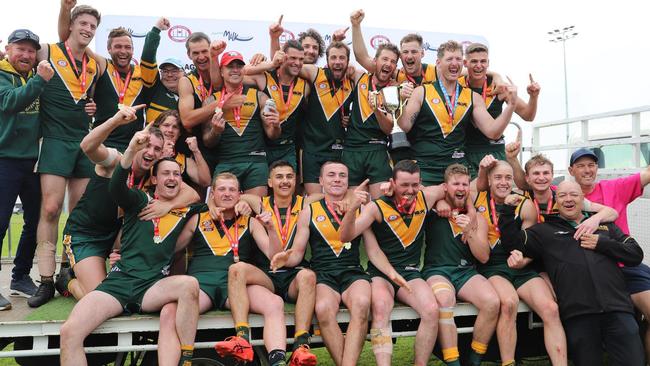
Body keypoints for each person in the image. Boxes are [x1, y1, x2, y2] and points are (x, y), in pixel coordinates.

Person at [59, 129, 201, 366]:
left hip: (152, 286)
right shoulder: (140, 199)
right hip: (120, 283)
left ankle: (186, 358)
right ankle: (70, 283)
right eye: (165, 173)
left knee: (189, 285)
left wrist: (169, 206)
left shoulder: (187, 209)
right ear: (154, 179)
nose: (172, 178)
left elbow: (199, 196)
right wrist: (131, 152)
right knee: (69, 332)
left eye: (177, 174)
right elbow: (116, 187)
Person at [56, 107, 199, 301]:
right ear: (137, 143)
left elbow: (191, 194)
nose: (151, 152)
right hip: (86, 235)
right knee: (98, 296)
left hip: (119, 236)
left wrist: (168, 206)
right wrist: (115, 120)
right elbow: (87, 146)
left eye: (157, 149)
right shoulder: (117, 161)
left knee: (119, 294)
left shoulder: (153, 175)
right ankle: (68, 282)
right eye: (146, 145)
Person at [498, 180, 646, 366]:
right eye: (562, 195)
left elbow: (635, 254)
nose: (568, 199)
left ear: (583, 198)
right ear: (556, 200)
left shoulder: (606, 227)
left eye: (574, 195)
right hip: (579, 316)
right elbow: (512, 243)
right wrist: (506, 210)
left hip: (619, 310)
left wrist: (601, 243)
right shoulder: (544, 231)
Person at [158, 172, 285, 365]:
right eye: (222, 189)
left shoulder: (249, 221)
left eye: (232, 189)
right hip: (201, 286)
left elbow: (274, 256)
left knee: (274, 303)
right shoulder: (198, 218)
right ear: (213, 194)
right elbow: (171, 250)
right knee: (169, 312)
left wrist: (271, 228)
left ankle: (278, 360)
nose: (227, 194)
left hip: (237, 285)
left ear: (240, 194)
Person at [338, 160, 445, 366]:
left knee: (431, 309)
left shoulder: (426, 197)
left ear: (420, 183)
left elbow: (448, 188)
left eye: (415, 184)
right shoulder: (376, 207)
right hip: (381, 274)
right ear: (392, 183)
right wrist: (352, 208)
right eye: (404, 185)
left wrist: (446, 202)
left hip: (411, 273)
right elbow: (345, 236)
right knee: (380, 306)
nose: (410, 190)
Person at [30, 2, 101, 307]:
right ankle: (45, 280)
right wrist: (65, 7)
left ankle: (65, 272)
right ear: (71, 25)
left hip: (84, 142)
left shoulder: (95, 65)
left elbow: (90, 100)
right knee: (50, 208)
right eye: (82, 23)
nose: (87, 29)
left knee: (79, 212)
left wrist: (93, 108)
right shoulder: (47, 50)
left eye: (92, 27)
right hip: (56, 140)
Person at [271, 161, 372, 366]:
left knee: (361, 304)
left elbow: (372, 248)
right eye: (331, 175)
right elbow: (298, 253)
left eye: (342, 175)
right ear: (321, 181)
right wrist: (285, 258)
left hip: (353, 272)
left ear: (348, 181)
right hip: (323, 274)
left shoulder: (361, 207)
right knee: (324, 307)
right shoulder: (309, 210)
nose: (337, 179)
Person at [474, 158, 569, 365]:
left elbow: (530, 245)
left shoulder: (525, 205)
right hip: (492, 267)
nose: (503, 182)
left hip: (521, 266)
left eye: (508, 178)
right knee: (508, 303)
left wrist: (524, 260)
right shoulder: (477, 198)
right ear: (489, 180)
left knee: (551, 309)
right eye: (498, 177)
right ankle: (508, 362)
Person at [226, 160, 319, 365]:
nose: (284, 181)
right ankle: (242, 338)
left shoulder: (307, 203)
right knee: (237, 269)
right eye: (279, 177)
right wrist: (239, 202)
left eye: (289, 176)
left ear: (296, 180)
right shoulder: (258, 202)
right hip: (266, 274)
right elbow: (228, 196)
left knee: (309, 276)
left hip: (294, 273)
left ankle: (301, 346)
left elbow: (336, 194)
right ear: (269, 181)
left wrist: (348, 199)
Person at [397, 40, 517, 186]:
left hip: (457, 168)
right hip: (426, 168)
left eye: (458, 59)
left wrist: (511, 105)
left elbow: (493, 132)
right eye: (449, 59)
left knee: (476, 196)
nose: (454, 63)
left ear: (463, 63)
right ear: (438, 63)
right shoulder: (421, 92)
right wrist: (399, 103)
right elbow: (404, 126)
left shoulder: (473, 97)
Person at [568, 147, 650, 361]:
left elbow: (648, 174)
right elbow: (528, 183)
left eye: (592, 165)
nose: (587, 170)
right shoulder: (564, 195)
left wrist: (596, 218)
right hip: (593, 273)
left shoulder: (616, 188)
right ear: (571, 170)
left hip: (626, 266)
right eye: (581, 166)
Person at [421, 164, 499, 366]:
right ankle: (453, 362)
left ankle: (474, 360)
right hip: (437, 271)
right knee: (445, 299)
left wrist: (470, 231)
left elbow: (483, 257)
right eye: (455, 183)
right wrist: (438, 201)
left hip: (465, 273)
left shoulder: (477, 218)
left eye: (465, 184)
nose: (461, 188)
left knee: (492, 302)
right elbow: (416, 192)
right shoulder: (431, 212)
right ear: (445, 186)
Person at [57, 8, 166, 151]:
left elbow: (149, 55)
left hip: (133, 145)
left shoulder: (141, 72)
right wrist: (65, 8)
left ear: (133, 50)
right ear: (109, 49)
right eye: (118, 47)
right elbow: (69, 41)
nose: (123, 51)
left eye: (127, 47)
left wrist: (156, 29)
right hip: (102, 144)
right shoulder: (103, 65)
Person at [0, 29, 54, 308]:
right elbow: (11, 102)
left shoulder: (34, 78)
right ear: (8, 50)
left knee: (35, 220)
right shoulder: (1, 75)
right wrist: (40, 81)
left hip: (32, 160)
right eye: (20, 49)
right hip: (4, 159)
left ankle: (20, 276)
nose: (26, 55)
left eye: (31, 51)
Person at [202, 50, 281, 196]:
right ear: (221, 71)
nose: (235, 70)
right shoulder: (211, 100)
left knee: (255, 211)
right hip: (226, 162)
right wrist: (215, 132)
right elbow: (207, 141)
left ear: (244, 70)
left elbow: (273, 135)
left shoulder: (260, 96)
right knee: (220, 212)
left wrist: (276, 125)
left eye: (239, 66)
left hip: (256, 162)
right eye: (230, 67)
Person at [460, 43, 540, 177]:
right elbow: (443, 72)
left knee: (498, 195)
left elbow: (528, 116)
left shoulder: (500, 87)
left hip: (494, 150)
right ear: (465, 63)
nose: (479, 65)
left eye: (483, 61)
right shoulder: (458, 84)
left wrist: (533, 96)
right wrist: (496, 73)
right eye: (474, 61)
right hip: (466, 151)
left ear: (488, 63)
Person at [345, 14, 399, 198]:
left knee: (380, 205)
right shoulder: (360, 76)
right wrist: (355, 25)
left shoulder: (395, 89)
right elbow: (360, 55)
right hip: (352, 149)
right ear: (375, 61)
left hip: (377, 150)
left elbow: (388, 128)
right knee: (354, 206)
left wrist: (377, 109)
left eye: (393, 62)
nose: (388, 64)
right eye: (385, 59)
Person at [241, 40, 309, 170]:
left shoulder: (305, 85)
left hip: (287, 148)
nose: (298, 63)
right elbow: (239, 74)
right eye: (293, 58)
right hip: (263, 147)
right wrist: (271, 64)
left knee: (287, 187)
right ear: (282, 58)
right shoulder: (265, 77)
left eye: (301, 59)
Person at [298, 43, 354, 195]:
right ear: (327, 60)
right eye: (333, 57)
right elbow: (290, 64)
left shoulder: (353, 80)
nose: (337, 62)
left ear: (348, 61)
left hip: (338, 151)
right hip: (311, 150)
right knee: (315, 200)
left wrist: (351, 120)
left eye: (342, 58)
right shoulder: (315, 73)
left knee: (338, 199)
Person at [152, 109, 211, 188]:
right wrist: (162, 158)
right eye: (166, 125)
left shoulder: (183, 160)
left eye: (175, 127)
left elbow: (206, 181)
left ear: (179, 133)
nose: (170, 130)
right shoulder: (147, 150)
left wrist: (196, 151)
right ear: (158, 127)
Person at [145, 58, 184, 124]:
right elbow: (148, 57)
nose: (169, 75)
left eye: (174, 71)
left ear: (184, 73)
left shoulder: (193, 94)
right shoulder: (154, 90)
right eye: (165, 71)